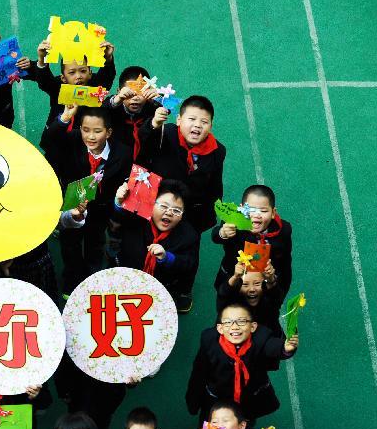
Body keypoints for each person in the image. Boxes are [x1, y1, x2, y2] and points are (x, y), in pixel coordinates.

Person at [140, 95, 227, 312]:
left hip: (192, 214)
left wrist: (220, 215)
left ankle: (182, 290)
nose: (197, 125)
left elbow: (215, 184)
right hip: (159, 206)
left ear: (211, 125)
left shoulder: (217, 151)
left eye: (204, 121)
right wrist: (153, 124)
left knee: (189, 254)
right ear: (179, 120)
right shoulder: (164, 133)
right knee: (148, 243)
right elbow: (143, 143)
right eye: (191, 119)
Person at [44, 105, 133, 292]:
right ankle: (71, 282)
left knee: (96, 244)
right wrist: (65, 117)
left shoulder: (122, 153)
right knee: (70, 245)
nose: (91, 136)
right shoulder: (73, 140)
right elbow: (49, 139)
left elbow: (124, 180)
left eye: (97, 131)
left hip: (101, 208)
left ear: (108, 132)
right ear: (80, 129)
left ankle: (92, 282)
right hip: (72, 203)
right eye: (86, 130)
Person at [186, 303, 299, 423]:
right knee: (210, 424)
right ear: (220, 328)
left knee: (245, 421)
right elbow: (199, 372)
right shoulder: (209, 341)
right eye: (228, 322)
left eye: (241, 321)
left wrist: (285, 348)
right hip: (217, 397)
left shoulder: (262, 338)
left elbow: (273, 347)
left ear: (253, 326)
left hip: (249, 398)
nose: (234, 327)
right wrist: (193, 402)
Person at [113, 179, 199, 310]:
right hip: (126, 277)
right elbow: (120, 217)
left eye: (177, 210)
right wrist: (119, 202)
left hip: (161, 288)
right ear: (152, 204)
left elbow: (188, 264)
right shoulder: (138, 218)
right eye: (164, 206)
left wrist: (167, 258)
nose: (169, 213)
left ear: (182, 215)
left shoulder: (188, 235)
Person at [212, 184, 293, 296]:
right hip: (233, 279)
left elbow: (285, 262)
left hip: (263, 285)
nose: (256, 215)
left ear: (273, 213)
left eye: (263, 211)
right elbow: (215, 236)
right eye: (250, 210)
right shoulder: (233, 223)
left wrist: (280, 287)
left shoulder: (283, 229)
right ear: (241, 208)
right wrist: (223, 233)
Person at [103, 65, 160, 162]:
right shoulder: (112, 107)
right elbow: (101, 109)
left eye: (141, 93)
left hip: (144, 163)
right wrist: (117, 99)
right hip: (113, 161)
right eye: (130, 93)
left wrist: (158, 99)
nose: (135, 98)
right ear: (119, 92)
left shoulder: (153, 107)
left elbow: (166, 110)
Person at [216, 261, 285, 337]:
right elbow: (223, 295)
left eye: (257, 284)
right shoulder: (231, 301)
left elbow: (276, 297)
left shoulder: (269, 301)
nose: (252, 289)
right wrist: (235, 277)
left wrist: (270, 280)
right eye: (245, 284)